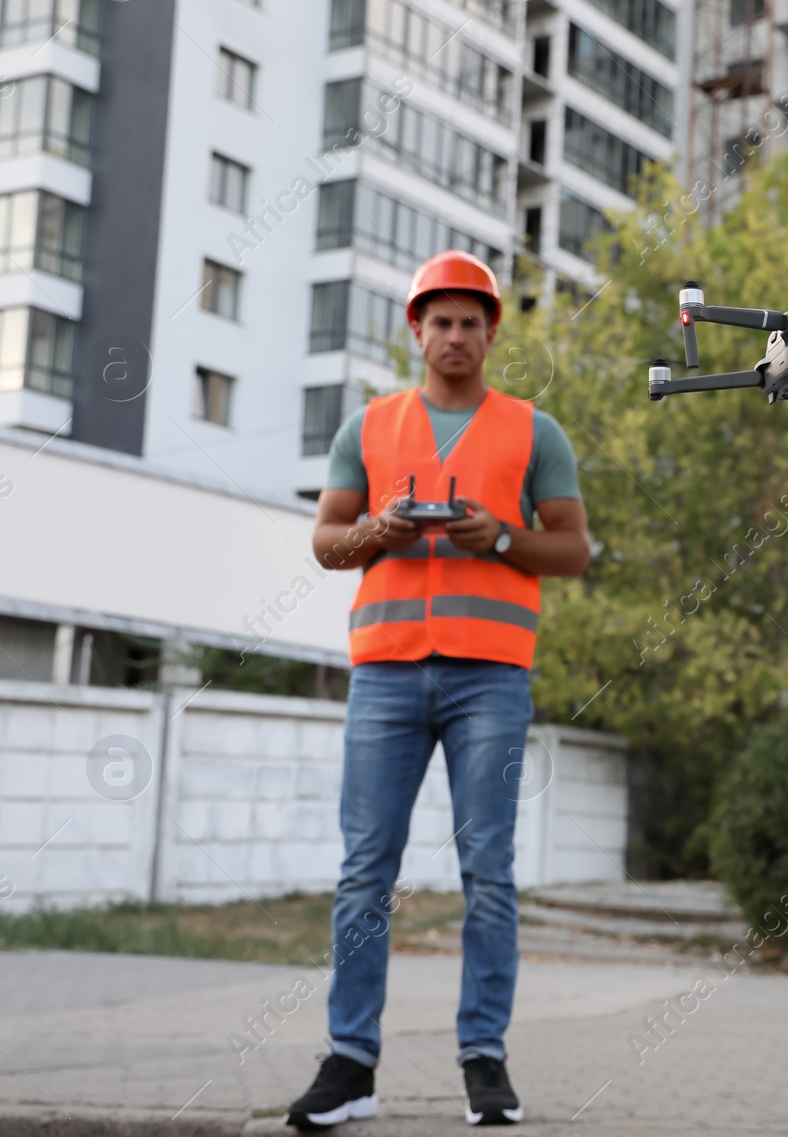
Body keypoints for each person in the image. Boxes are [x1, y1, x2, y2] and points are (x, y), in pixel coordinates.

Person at [286, 252, 590, 1129]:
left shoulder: (536, 431)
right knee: (362, 874)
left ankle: (483, 1060)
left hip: (490, 678)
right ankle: (351, 1065)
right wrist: (380, 529)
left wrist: (500, 540)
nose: (454, 336)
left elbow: (572, 550)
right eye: (440, 321)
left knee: (488, 873)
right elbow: (324, 541)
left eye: (470, 322)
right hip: (384, 674)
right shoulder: (369, 428)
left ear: (492, 333)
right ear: (415, 331)